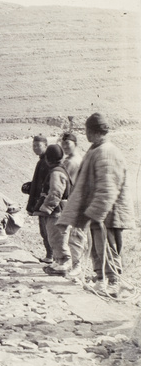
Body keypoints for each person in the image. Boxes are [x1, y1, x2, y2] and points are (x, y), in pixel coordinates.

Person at [58, 113, 135, 297]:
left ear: (93, 131)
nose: (85, 134)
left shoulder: (107, 152)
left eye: (87, 130)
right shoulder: (97, 150)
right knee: (97, 249)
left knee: (108, 248)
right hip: (98, 213)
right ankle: (101, 281)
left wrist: (97, 212)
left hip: (109, 213)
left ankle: (114, 282)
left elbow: (108, 186)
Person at [33, 145, 73, 275]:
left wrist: (46, 208)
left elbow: (56, 193)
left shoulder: (56, 173)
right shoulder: (60, 170)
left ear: (48, 159)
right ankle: (57, 261)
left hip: (58, 212)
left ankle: (63, 263)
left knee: (58, 236)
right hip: (57, 211)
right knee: (53, 236)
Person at [60, 132, 88, 278]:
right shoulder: (72, 159)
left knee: (76, 235)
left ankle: (77, 267)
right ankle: (75, 265)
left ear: (75, 144)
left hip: (77, 201)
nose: (64, 146)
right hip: (75, 200)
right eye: (63, 144)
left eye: (67, 144)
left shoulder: (72, 161)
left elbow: (65, 184)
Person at [22, 135, 52, 263]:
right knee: (45, 230)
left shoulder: (46, 162)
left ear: (45, 145)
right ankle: (50, 255)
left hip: (45, 202)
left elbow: (45, 184)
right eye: (34, 145)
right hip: (43, 201)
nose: (35, 148)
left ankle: (51, 256)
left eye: (38, 145)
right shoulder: (43, 160)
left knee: (47, 230)